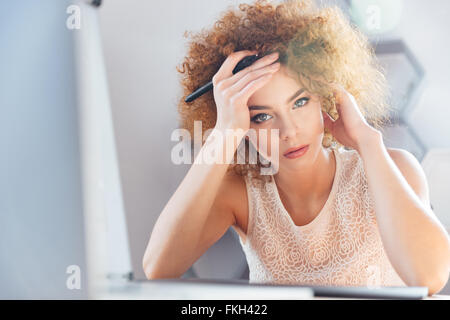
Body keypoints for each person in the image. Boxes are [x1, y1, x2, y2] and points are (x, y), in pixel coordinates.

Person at [143, 0, 450, 295]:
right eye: (261, 116)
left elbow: (430, 277)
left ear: (326, 95)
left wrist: (368, 143)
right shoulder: (239, 194)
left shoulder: (392, 167)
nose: (288, 131)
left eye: (300, 102)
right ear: (243, 127)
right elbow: (159, 267)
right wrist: (224, 133)